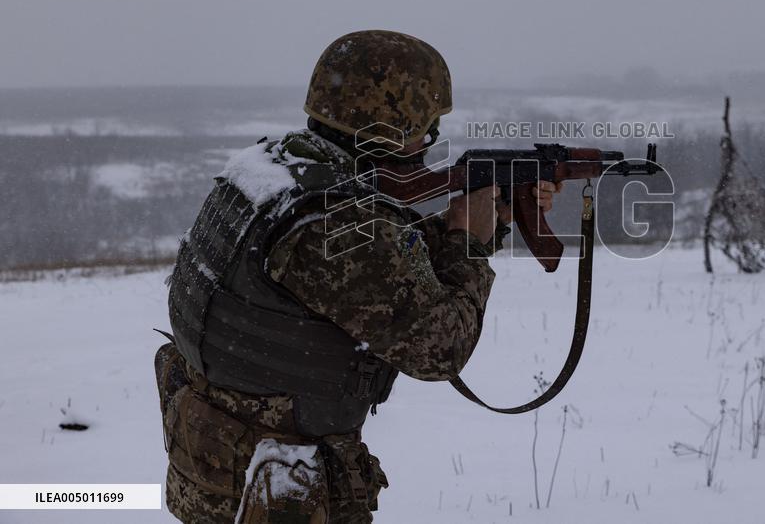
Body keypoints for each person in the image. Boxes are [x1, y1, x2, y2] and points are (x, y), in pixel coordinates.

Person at [154, 30, 559, 523]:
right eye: (425, 127)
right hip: (278, 489)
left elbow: (365, 280)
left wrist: (478, 225)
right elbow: (441, 349)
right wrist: (468, 243)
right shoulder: (337, 221)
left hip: (218, 459)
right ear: (397, 122)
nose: (429, 142)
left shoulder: (271, 170)